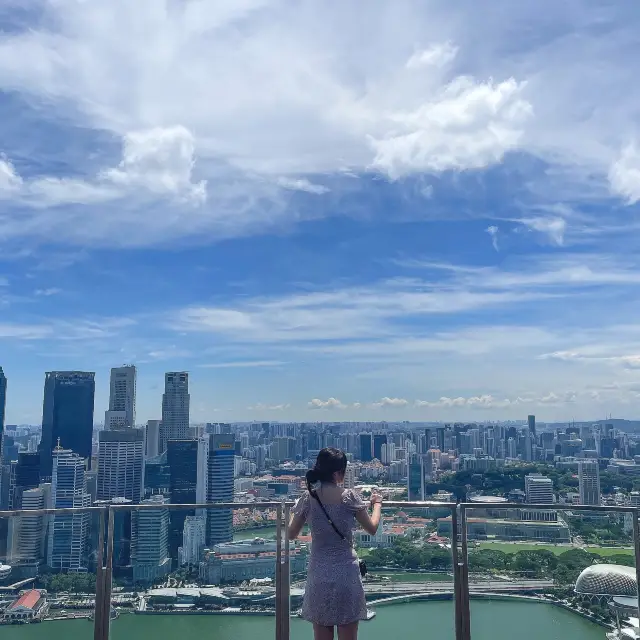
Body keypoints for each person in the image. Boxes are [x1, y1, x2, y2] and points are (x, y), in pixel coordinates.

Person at [288, 447, 383, 640]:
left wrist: (294, 511)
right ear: (338, 473)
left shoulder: (307, 498)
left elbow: (291, 533)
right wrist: (377, 504)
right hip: (346, 574)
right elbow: (372, 528)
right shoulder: (349, 496)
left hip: (319, 573)